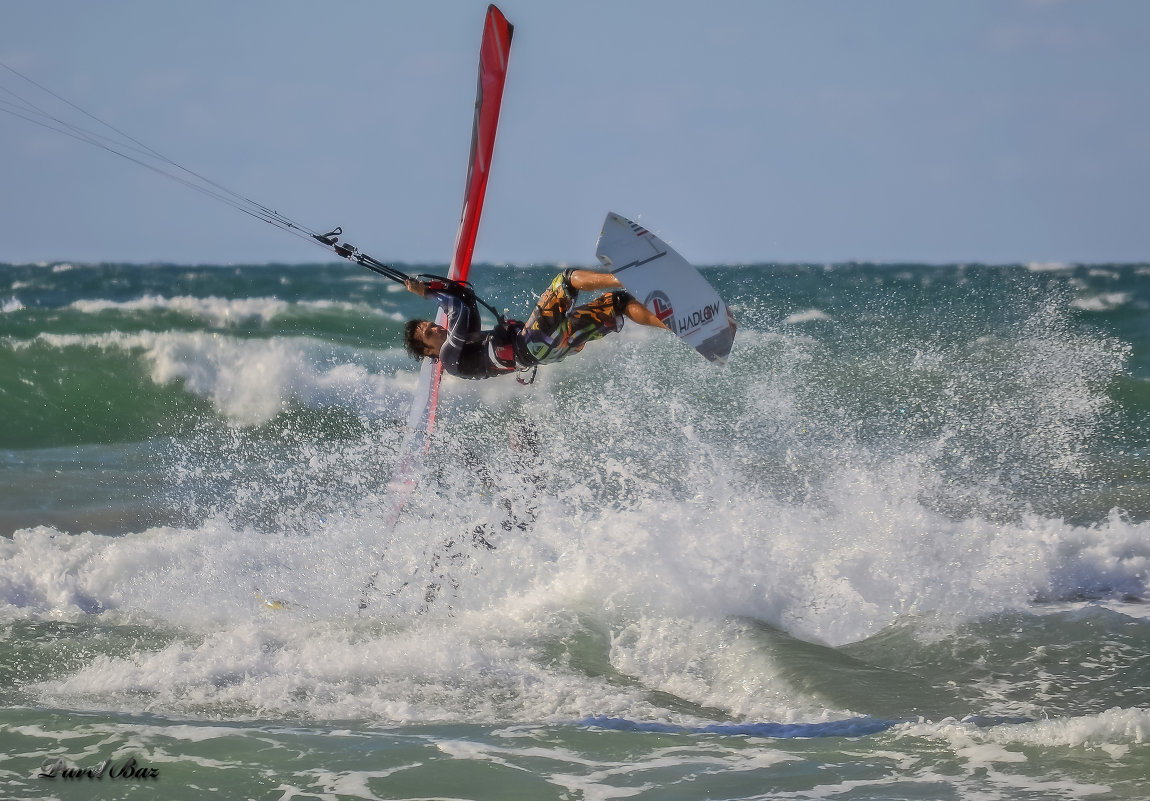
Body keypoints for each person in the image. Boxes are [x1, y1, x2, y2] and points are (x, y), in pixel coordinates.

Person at [403, 268, 670, 380]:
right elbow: (458, 310)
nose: (437, 328)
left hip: (549, 350)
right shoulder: (449, 357)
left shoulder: (463, 347)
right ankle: (623, 275)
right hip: (532, 342)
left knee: (617, 304)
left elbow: (466, 298)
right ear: (428, 351)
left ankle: (674, 323)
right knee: (565, 280)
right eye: (430, 333)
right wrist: (428, 294)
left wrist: (436, 286)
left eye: (432, 325)